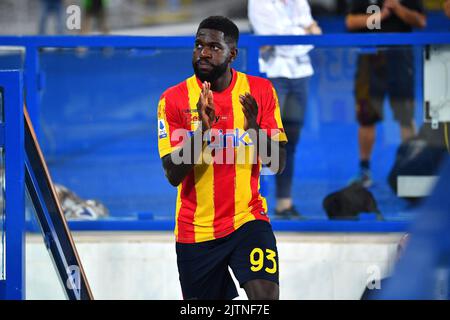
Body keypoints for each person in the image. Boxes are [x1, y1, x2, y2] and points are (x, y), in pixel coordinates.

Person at [157, 16, 287, 300]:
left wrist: (253, 128)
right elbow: (173, 175)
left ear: (233, 54)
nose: (203, 52)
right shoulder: (174, 99)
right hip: (196, 231)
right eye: (198, 44)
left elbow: (277, 163)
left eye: (214, 47)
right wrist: (203, 129)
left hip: (247, 219)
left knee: (265, 298)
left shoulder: (260, 92)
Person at [248, 0, 321, 219]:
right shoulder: (258, 2)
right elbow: (275, 39)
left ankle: (284, 204)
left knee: (290, 143)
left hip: (301, 73)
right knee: (264, 142)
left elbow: (316, 32)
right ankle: (251, 202)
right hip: (273, 74)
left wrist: (301, 30)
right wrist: (304, 29)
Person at [346, 0, 426, 187]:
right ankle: (364, 170)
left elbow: (420, 21)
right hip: (369, 61)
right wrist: (379, 17)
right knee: (366, 117)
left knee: (405, 116)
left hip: (400, 59)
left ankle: (409, 168)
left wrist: (397, 7)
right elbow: (350, 22)